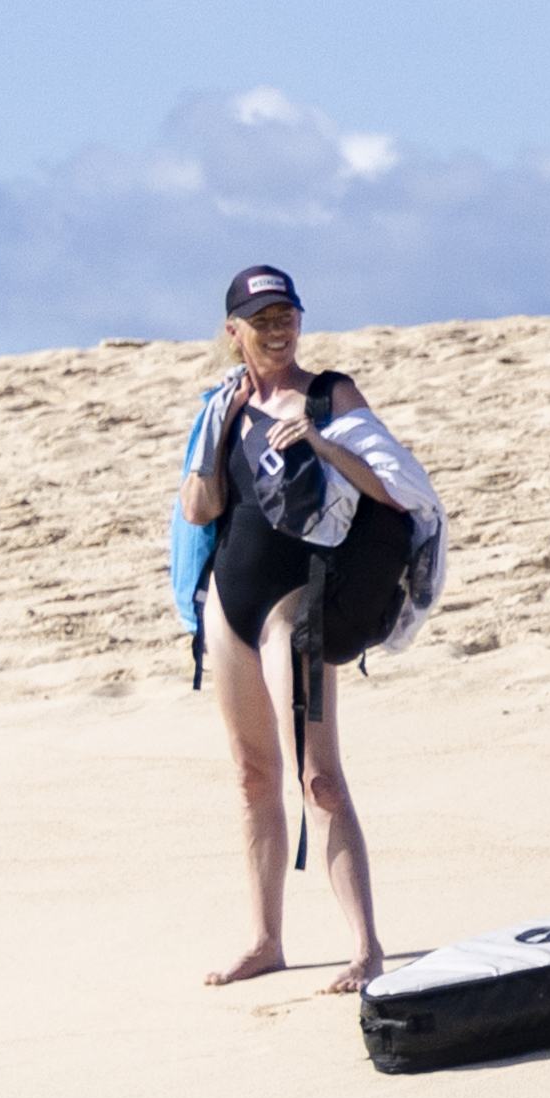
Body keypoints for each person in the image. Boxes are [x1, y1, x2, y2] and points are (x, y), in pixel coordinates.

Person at [177, 263, 444, 989]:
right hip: (228, 607)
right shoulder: (219, 407)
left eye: (285, 313)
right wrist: (224, 425)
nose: (277, 328)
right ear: (234, 332)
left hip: (296, 605)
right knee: (251, 774)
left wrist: (322, 442)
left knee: (319, 778)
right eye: (260, 319)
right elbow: (199, 508)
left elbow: (395, 485)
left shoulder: (332, 394)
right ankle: (266, 939)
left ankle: (367, 948)